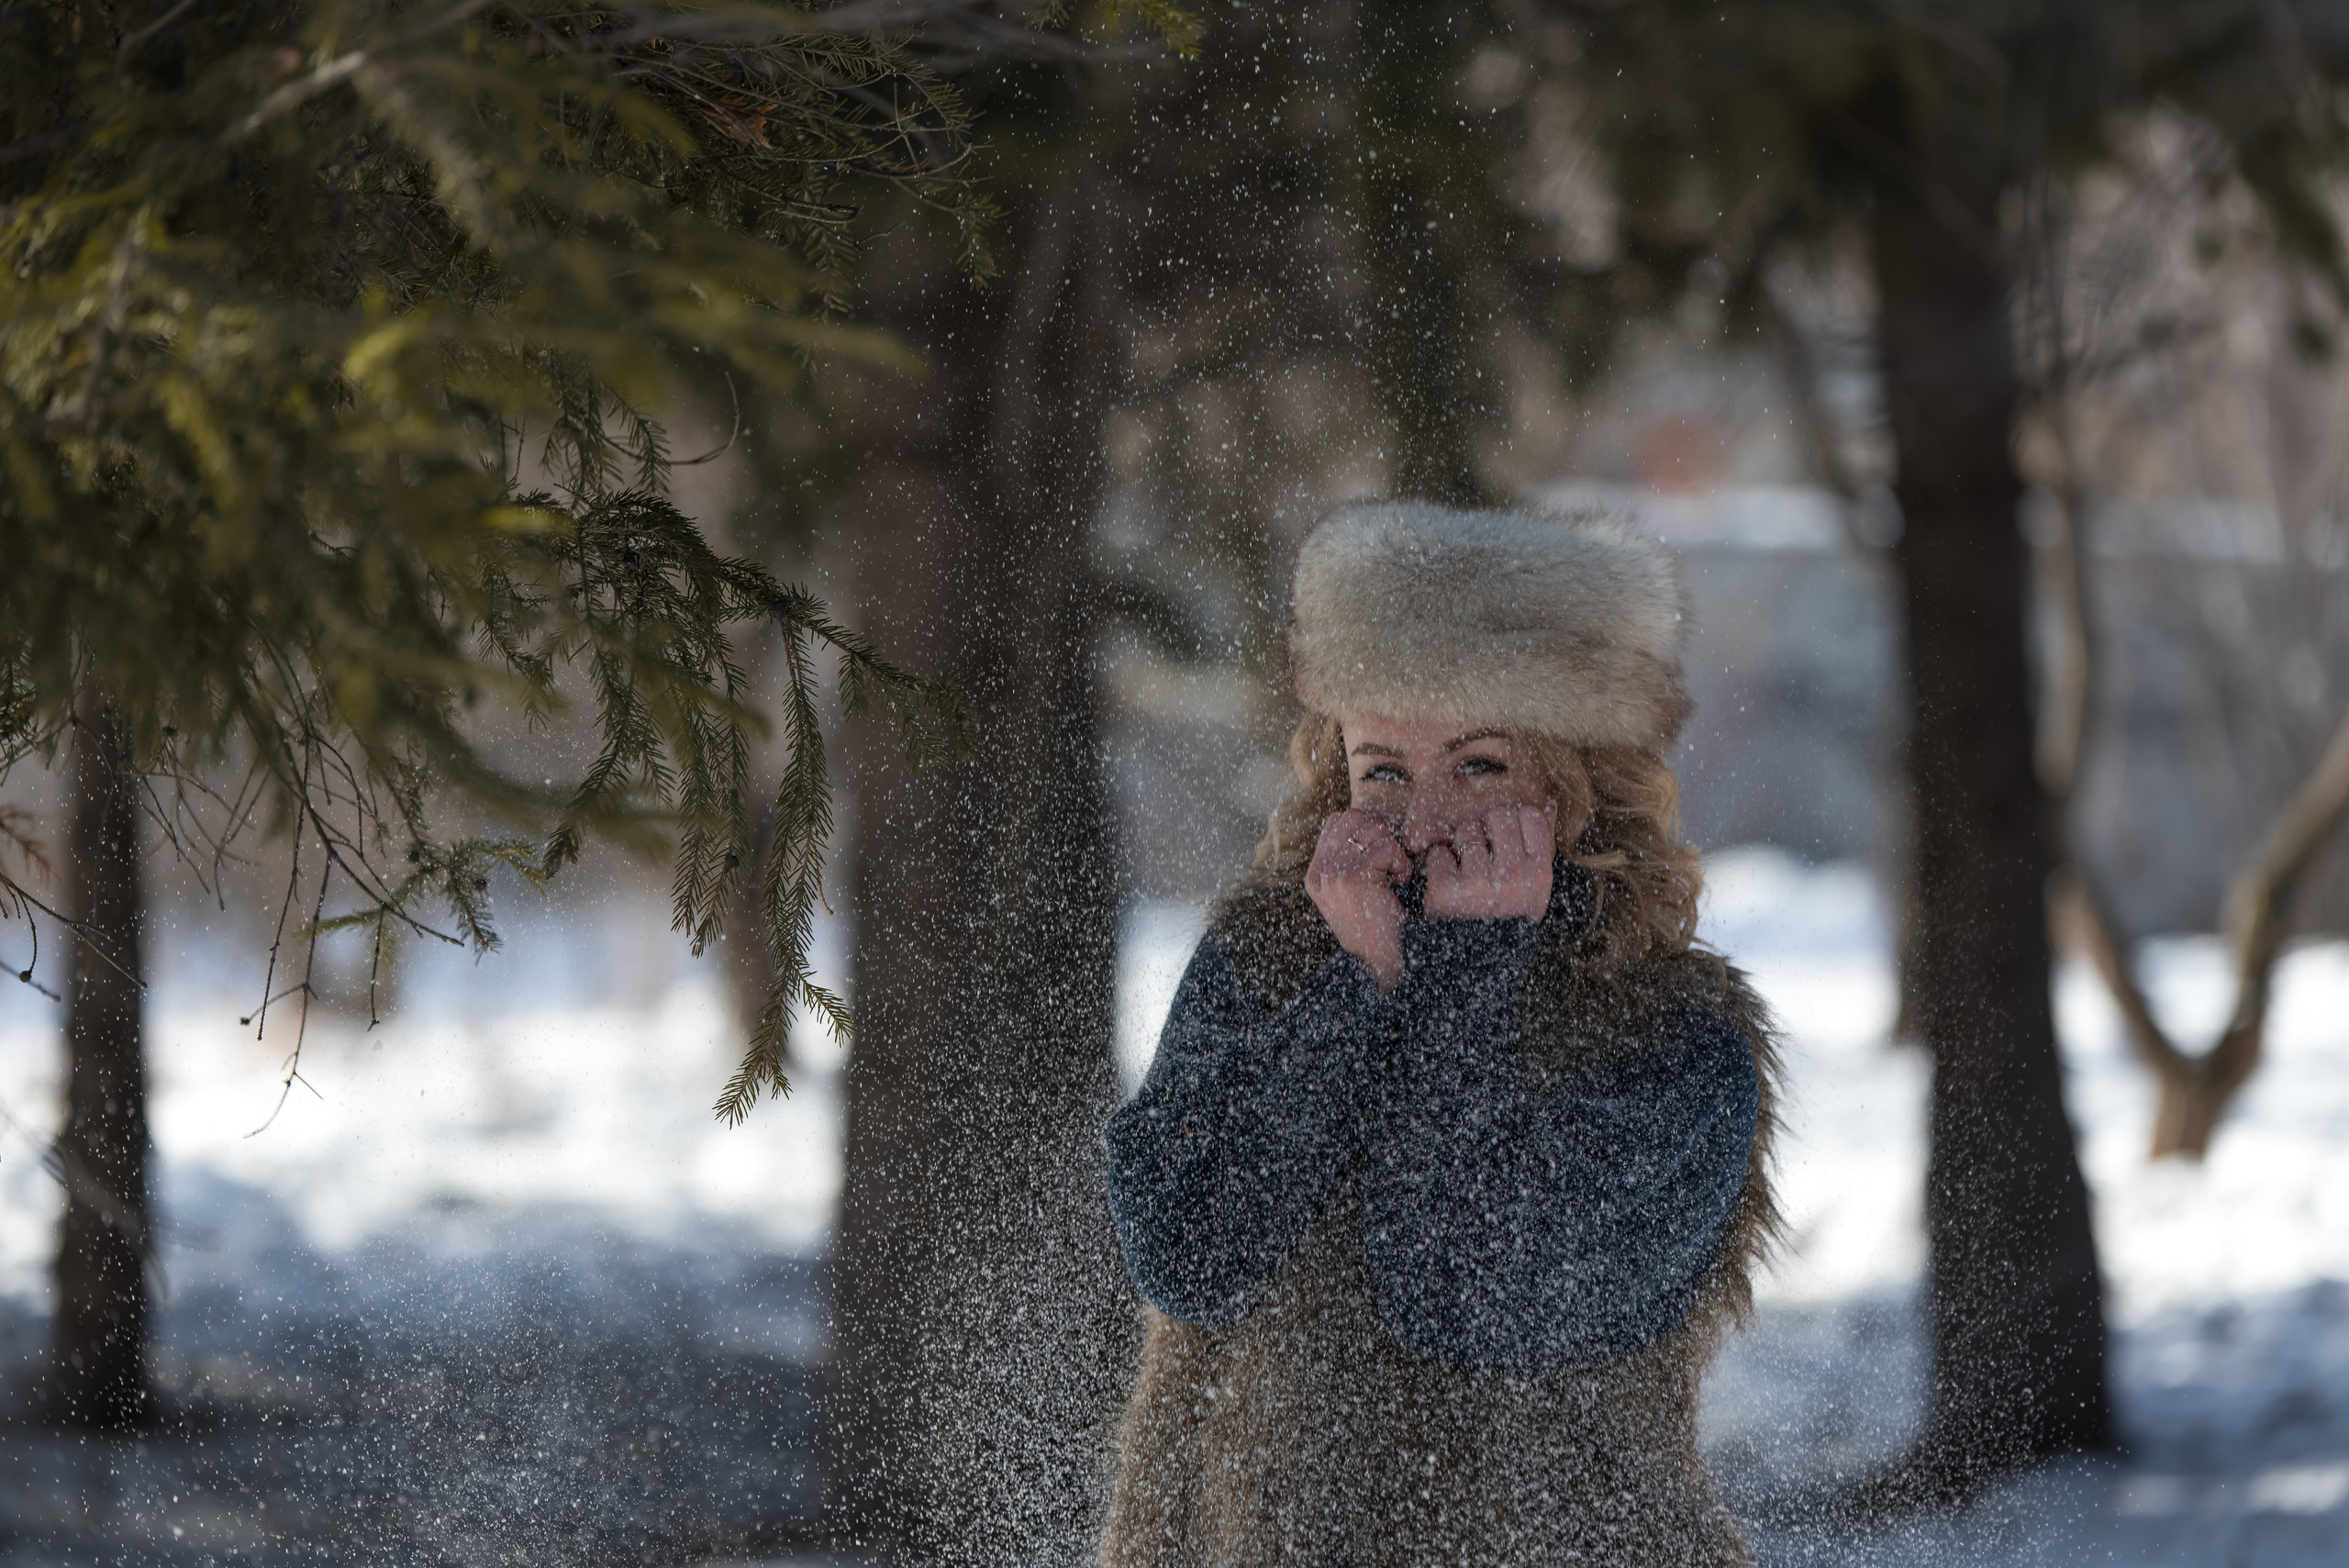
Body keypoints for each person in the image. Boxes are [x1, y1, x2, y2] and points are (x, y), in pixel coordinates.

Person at [1097, 502, 1782, 1566]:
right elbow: (1188, 1251)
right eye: (1381, 770)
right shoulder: (1271, 964)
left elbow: (1463, 1289)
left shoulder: (1678, 1040)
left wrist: (1460, 975)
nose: (1419, 821)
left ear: (1577, 781)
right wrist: (1356, 991)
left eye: (1477, 766)